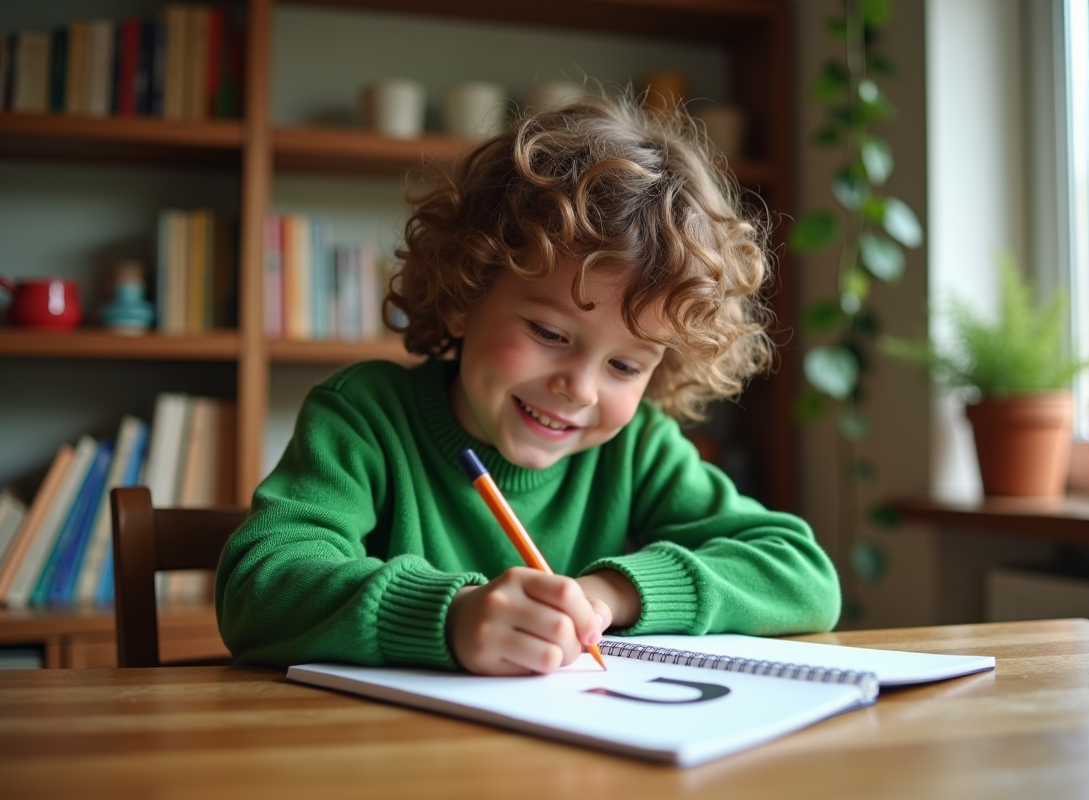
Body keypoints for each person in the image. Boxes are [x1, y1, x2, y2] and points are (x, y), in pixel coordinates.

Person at [215, 94, 840, 676]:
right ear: (466, 294)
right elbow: (259, 586)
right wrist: (450, 617)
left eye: (626, 366)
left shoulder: (638, 447)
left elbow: (802, 574)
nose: (580, 388)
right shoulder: (365, 417)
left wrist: (609, 595)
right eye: (549, 331)